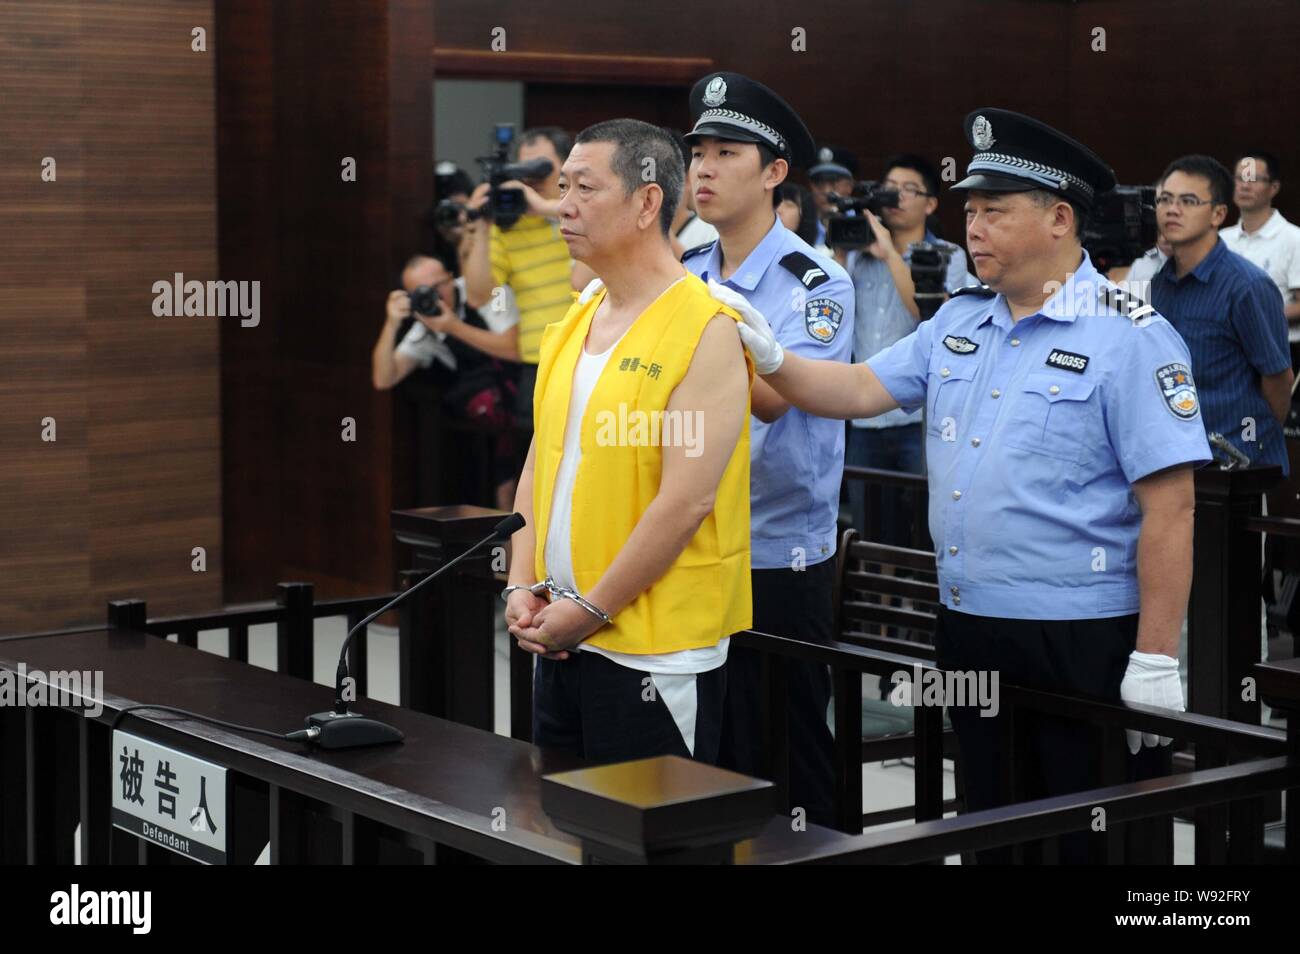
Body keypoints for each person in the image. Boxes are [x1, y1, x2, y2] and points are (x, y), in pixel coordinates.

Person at [720, 108, 1213, 863]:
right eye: (971, 210)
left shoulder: (1129, 334)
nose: (973, 227)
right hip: (971, 624)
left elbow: (1171, 508)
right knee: (990, 820)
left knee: (1088, 832)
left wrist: (1154, 656)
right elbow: (856, 390)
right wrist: (775, 360)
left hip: (1080, 633)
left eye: (994, 210)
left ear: (1058, 217)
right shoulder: (960, 322)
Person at [504, 119, 753, 765]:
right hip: (562, 631)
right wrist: (520, 582)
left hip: (654, 651)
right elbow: (542, 457)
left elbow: (687, 501)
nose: (563, 206)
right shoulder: (577, 319)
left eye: (585, 188)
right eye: (562, 187)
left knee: (654, 842)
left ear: (647, 202)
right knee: (562, 829)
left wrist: (591, 607)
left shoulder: (705, 327)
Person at [682, 72, 855, 826]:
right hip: (690, 538)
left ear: (775, 173)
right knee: (709, 743)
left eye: (727, 153)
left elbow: (779, 399)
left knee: (786, 749)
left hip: (775, 549)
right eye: (697, 155)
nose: (705, 170)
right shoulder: (685, 272)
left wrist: (711, 343)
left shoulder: (814, 283)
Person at [841, 153, 974, 544]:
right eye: (889, 188)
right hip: (863, 419)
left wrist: (890, 254)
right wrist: (842, 246)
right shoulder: (856, 255)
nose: (896, 197)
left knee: (920, 525)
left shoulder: (948, 255)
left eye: (908, 190)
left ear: (931, 203)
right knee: (867, 528)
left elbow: (927, 314)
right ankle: (873, 603)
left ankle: (913, 602)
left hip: (914, 419)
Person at [1151, 154, 1292, 473]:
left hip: (1239, 470)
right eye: (1165, 199)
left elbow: (1278, 380)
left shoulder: (1247, 286)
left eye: (1188, 201)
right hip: (1178, 462)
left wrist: (1251, 446)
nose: (1172, 209)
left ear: (1217, 214)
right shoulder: (1161, 281)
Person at [1220, 151, 1300, 350]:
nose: (1245, 185)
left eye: (1254, 179)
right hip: (1228, 348)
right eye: (1239, 178)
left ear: (1274, 188)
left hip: (1280, 347)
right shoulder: (1220, 239)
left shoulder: (1294, 238)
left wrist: (1256, 319)